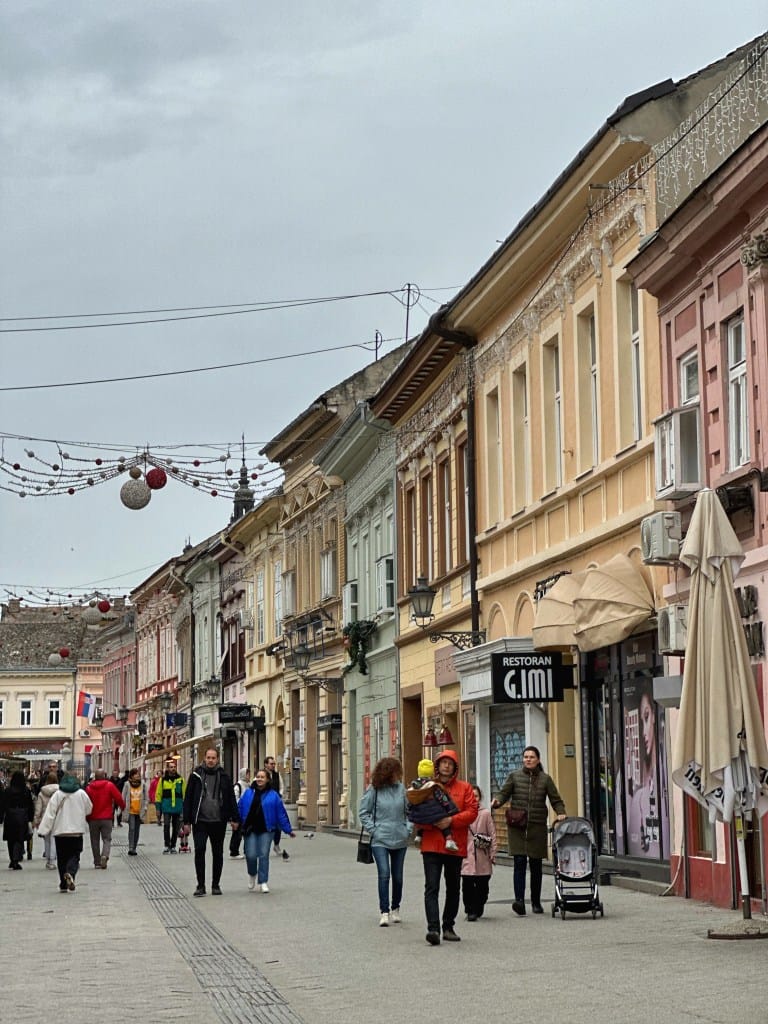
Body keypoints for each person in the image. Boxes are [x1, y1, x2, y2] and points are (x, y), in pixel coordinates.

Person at [491, 745, 566, 915]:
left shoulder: (545, 779)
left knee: (536, 865)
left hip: (537, 827)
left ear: (538, 760)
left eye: (531, 757)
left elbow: (556, 799)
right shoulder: (514, 776)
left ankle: (536, 902)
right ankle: (519, 901)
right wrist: (497, 802)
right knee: (519, 863)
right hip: (517, 826)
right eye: (526, 757)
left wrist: (561, 812)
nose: (528, 759)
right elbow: (503, 793)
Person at [418, 750, 478, 946]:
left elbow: (472, 812)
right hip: (432, 844)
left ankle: (448, 926)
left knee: (453, 888)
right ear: (437, 766)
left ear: (455, 768)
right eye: (443, 762)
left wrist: (451, 820)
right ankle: (433, 929)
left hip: (454, 845)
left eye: (450, 763)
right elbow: (416, 812)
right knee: (432, 887)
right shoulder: (427, 786)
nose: (446, 766)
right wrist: (432, 822)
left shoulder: (465, 788)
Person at [359, 757, 411, 927]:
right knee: (384, 873)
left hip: (400, 838)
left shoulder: (401, 789)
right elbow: (363, 812)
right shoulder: (374, 790)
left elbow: (410, 811)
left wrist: (408, 829)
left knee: (398, 877)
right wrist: (374, 830)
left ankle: (396, 908)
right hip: (380, 839)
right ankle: (384, 911)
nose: (398, 775)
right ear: (387, 773)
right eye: (395, 772)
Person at [182, 747, 240, 897]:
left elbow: (230, 798)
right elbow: (188, 798)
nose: (210, 760)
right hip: (200, 821)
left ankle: (215, 885)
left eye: (213, 758)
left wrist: (235, 818)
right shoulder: (196, 775)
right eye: (208, 757)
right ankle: (200, 885)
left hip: (218, 821)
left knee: (218, 853)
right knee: (200, 850)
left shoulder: (224, 776)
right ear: (204, 758)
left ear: (217, 759)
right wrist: (186, 821)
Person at [237, 768, 295, 893]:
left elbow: (281, 813)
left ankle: (263, 881)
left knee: (264, 854)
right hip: (250, 829)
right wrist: (236, 821)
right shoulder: (248, 793)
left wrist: (288, 829)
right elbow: (240, 808)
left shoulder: (273, 795)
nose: (259, 779)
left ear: (268, 780)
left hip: (267, 829)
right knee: (251, 855)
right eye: (258, 777)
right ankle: (252, 873)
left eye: (262, 777)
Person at [37, 773, 93, 892]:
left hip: (60, 831)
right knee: (75, 855)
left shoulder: (57, 794)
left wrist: (43, 829)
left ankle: (63, 884)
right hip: (76, 831)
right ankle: (70, 873)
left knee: (62, 858)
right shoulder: (81, 793)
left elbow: (50, 813)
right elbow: (89, 809)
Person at [626, 688, 662, 857]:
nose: (643, 732)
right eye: (641, 721)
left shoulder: (661, 777)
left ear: (654, 717)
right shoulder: (639, 796)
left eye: (646, 717)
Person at [461, 785, 498, 921]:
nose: (474, 799)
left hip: (483, 855)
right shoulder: (462, 813)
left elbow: (492, 833)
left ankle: (479, 904)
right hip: (467, 855)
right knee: (467, 885)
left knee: (483, 886)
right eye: (471, 796)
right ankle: (470, 909)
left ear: (480, 798)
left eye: (476, 796)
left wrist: (493, 852)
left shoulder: (485, 814)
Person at [406, 758, 459, 851]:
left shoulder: (414, 786)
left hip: (418, 813)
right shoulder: (433, 786)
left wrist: (410, 811)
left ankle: (418, 836)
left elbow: (410, 800)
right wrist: (450, 808)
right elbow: (441, 798)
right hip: (433, 812)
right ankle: (449, 840)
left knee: (422, 821)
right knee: (443, 822)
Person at [85, 768, 125, 869]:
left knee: (94, 840)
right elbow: (118, 797)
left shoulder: (89, 788)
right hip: (106, 818)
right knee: (107, 839)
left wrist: (86, 816)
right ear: (104, 776)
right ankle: (105, 855)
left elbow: (86, 803)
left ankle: (97, 862)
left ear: (95, 777)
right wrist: (123, 807)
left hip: (93, 818)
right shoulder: (109, 785)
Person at [1, 771, 34, 869]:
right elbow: (30, 805)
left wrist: (1, 816)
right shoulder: (26, 791)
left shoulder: (8, 791)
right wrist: (30, 818)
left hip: (10, 817)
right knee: (19, 838)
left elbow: (2, 804)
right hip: (22, 816)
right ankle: (16, 858)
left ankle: (12, 859)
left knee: (10, 839)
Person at [264, 756, 290, 860]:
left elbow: (281, 787)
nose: (273, 765)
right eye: (271, 764)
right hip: (265, 804)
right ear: (266, 764)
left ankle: (276, 845)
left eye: (274, 764)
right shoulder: (261, 775)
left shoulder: (277, 775)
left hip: (276, 804)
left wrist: (279, 795)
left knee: (278, 825)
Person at [34, 771, 60, 870]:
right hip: (56, 817)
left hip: (45, 817)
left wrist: (36, 820)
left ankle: (48, 859)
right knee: (54, 839)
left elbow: (38, 808)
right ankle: (53, 860)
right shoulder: (59, 792)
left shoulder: (42, 792)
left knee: (47, 840)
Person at [157, 759, 185, 853]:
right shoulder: (162, 780)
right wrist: (158, 808)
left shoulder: (180, 780)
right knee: (166, 826)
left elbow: (184, 794)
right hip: (166, 807)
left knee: (176, 827)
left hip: (177, 807)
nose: (173, 769)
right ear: (168, 769)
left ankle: (173, 846)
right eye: (171, 767)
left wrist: (184, 807)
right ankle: (166, 845)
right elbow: (158, 794)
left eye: (174, 767)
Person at [122, 768, 147, 856]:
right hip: (130, 811)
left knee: (137, 830)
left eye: (138, 774)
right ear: (132, 775)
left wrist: (145, 806)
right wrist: (122, 808)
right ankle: (131, 847)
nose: (137, 775)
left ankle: (135, 847)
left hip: (139, 811)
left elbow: (146, 797)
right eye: (136, 774)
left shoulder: (143, 784)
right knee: (132, 829)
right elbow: (123, 796)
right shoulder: (127, 784)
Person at [229, 768, 250, 859]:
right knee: (237, 833)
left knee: (248, 833)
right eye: (247, 774)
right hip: (239, 813)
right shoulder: (238, 786)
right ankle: (234, 852)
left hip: (247, 814)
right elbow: (235, 800)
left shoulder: (249, 785)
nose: (249, 776)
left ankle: (247, 851)